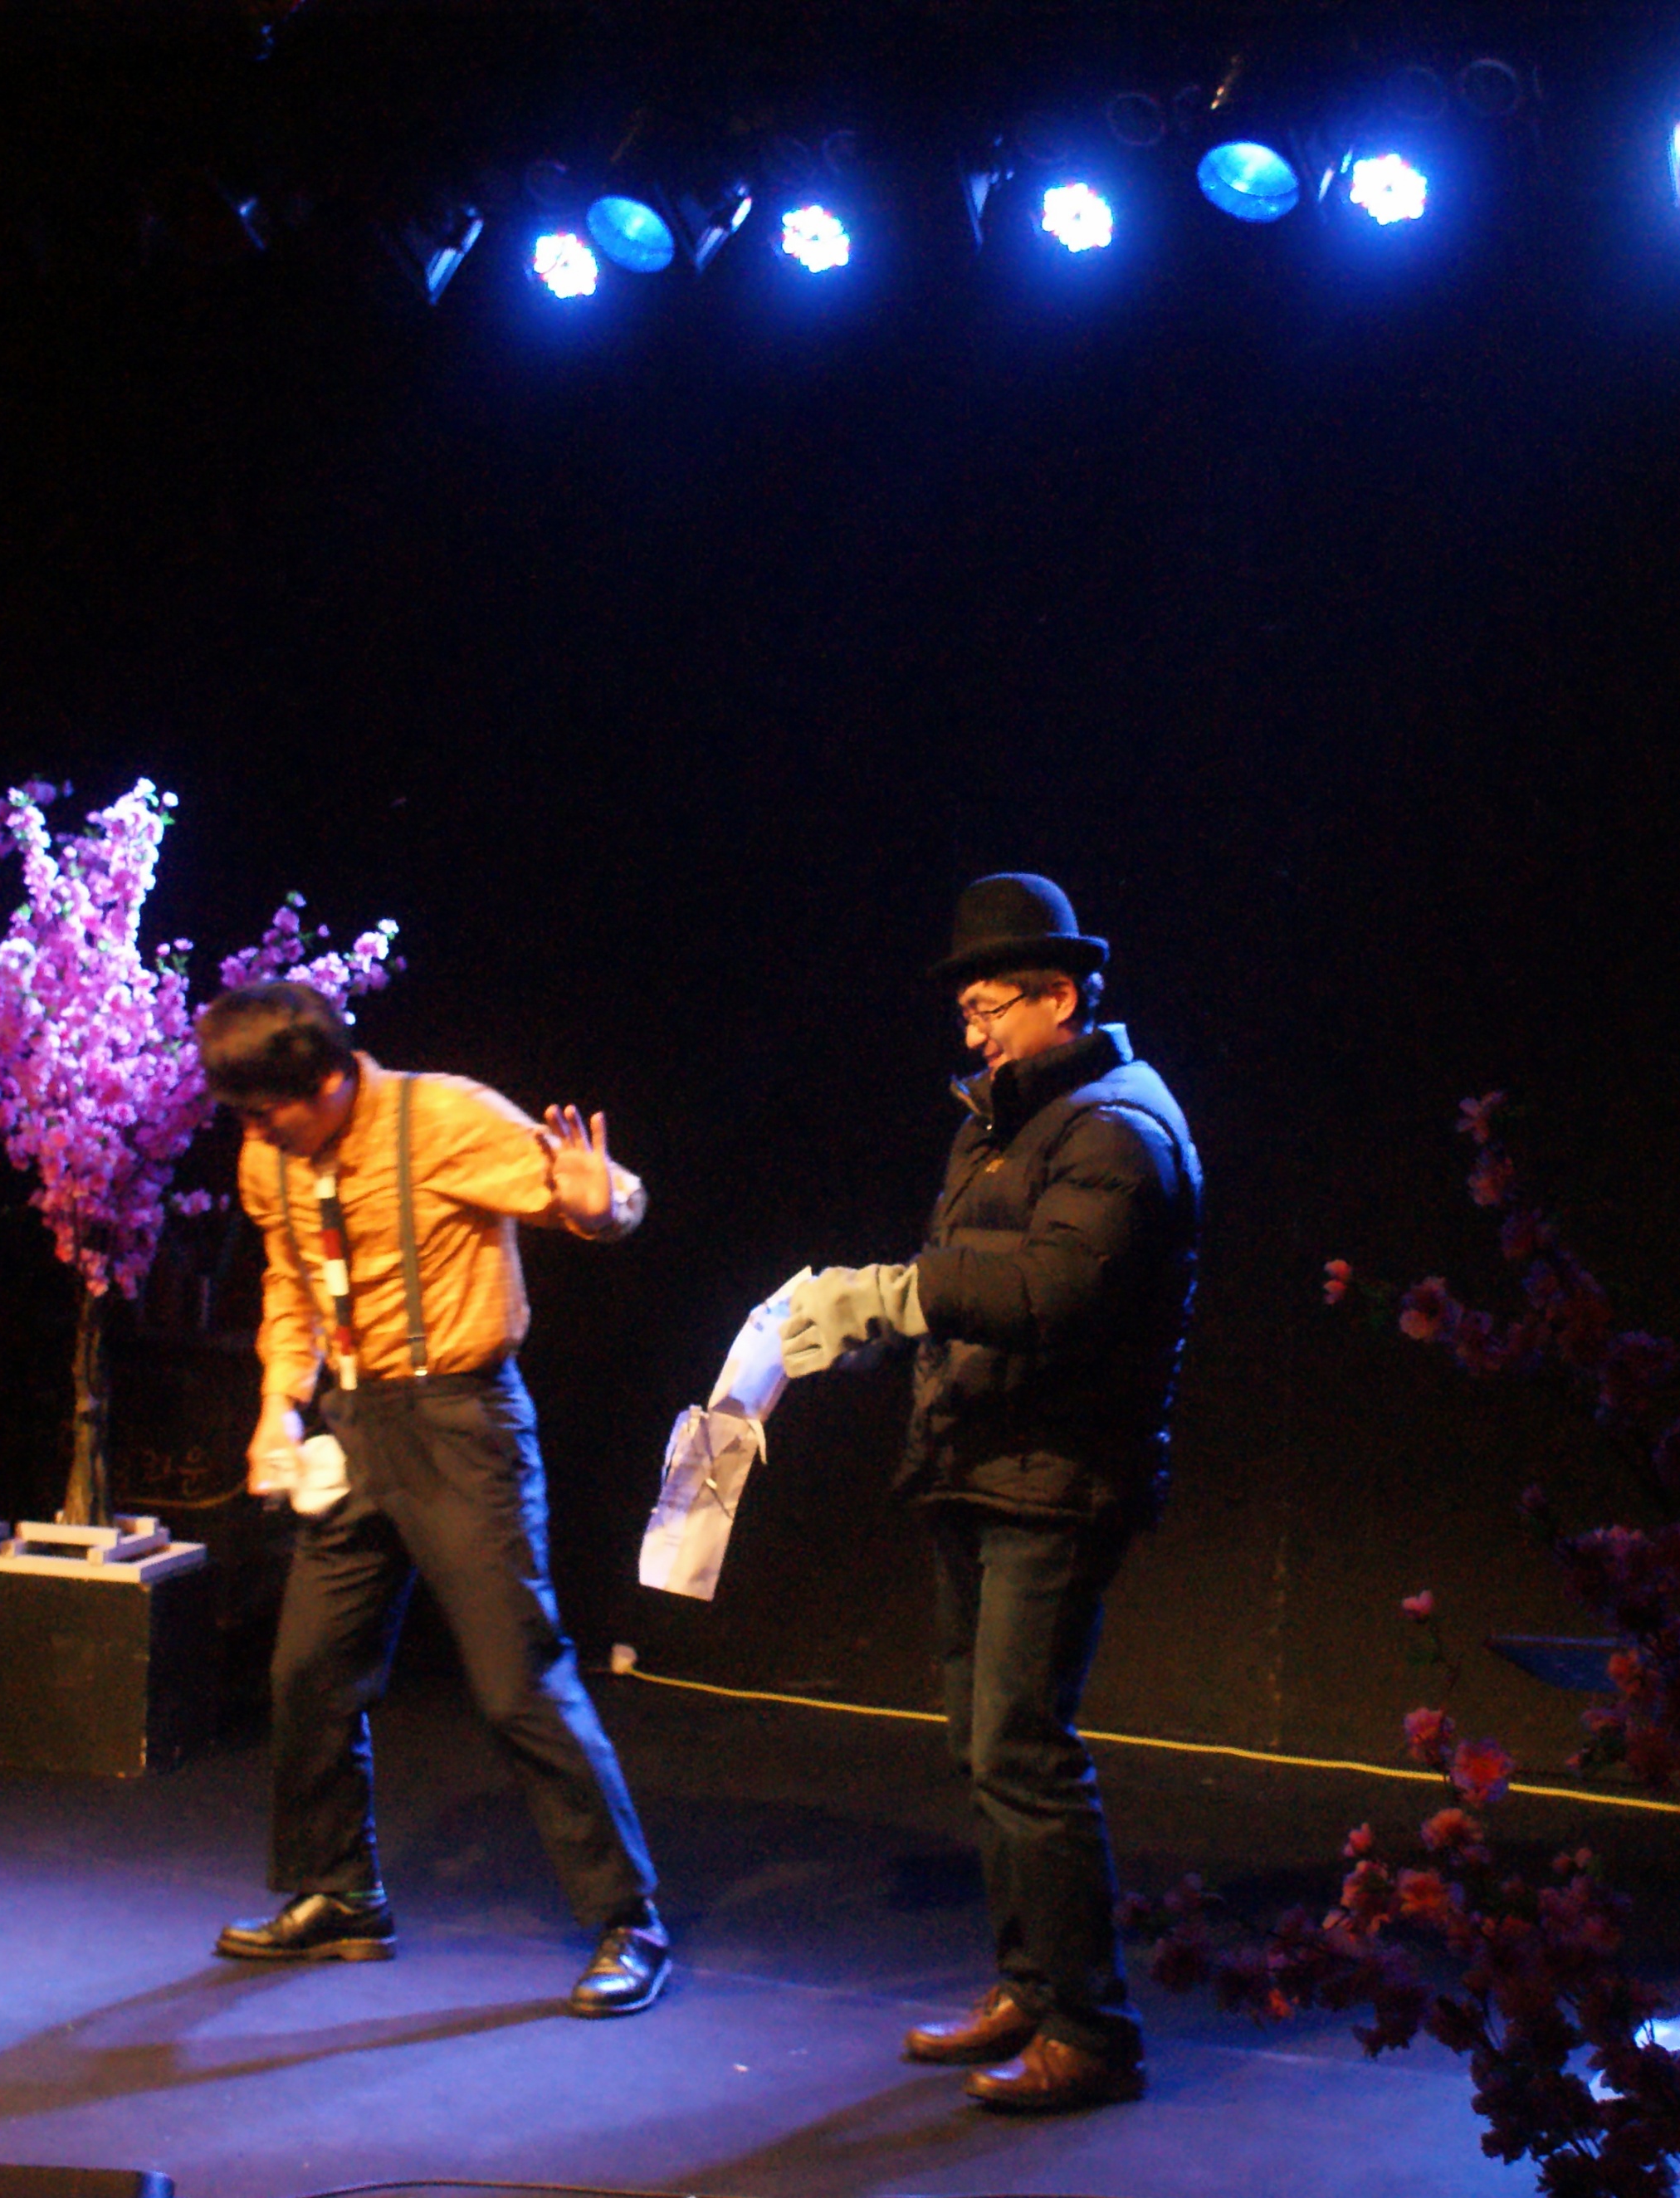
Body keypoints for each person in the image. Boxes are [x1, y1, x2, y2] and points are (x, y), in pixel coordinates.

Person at [777, 874, 1202, 2113]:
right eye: (965, 1009)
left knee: (1023, 1745)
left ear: (1058, 995)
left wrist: (890, 1295)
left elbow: (1051, 1291)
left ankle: (1092, 2032)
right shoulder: (999, 1121)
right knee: (982, 1741)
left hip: (1057, 1475)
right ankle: (1030, 1983)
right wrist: (879, 1331)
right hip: (982, 1461)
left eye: (989, 1006)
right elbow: (963, 1276)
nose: (972, 1031)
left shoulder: (1116, 1128)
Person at [194, 980, 670, 2019]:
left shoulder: (444, 1116)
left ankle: (628, 1917)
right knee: (309, 1667)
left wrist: (601, 1206)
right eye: (243, 1116)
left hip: (461, 1421)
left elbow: (600, 1196)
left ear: (328, 1076)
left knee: (515, 1681)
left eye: (268, 1110)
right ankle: (342, 1893)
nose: (256, 1133)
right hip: (353, 1422)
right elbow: (289, 1282)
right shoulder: (269, 1157)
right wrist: (278, 1408)